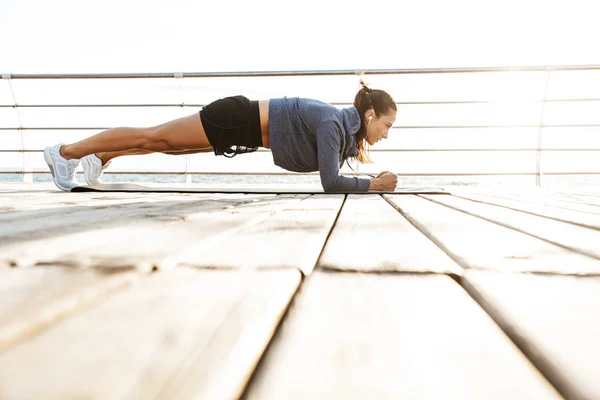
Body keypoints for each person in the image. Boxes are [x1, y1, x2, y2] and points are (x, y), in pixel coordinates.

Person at [44, 80, 399, 193]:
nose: (385, 135)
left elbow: (331, 170)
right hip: (235, 117)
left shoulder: (340, 129)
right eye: (386, 126)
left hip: (240, 132)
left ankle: (100, 157)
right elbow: (330, 181)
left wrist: (369, 179)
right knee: (155, 138)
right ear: (370, 115)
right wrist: (373, 185)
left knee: (163, 148)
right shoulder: (332, 123)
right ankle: (65, 152)